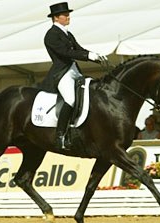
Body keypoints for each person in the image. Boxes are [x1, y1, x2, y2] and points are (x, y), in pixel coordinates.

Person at [41, 2, 107, 149]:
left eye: (68, 14)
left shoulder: (67, 34)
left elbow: (78, 49)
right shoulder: (51, 35)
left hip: (74, 70)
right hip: (62, 72)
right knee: (70, 99)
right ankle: (60, 135)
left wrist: (95, 56)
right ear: (56, 18)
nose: (68, 16)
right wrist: (87, 55)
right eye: (65, 14)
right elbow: (66, 53)